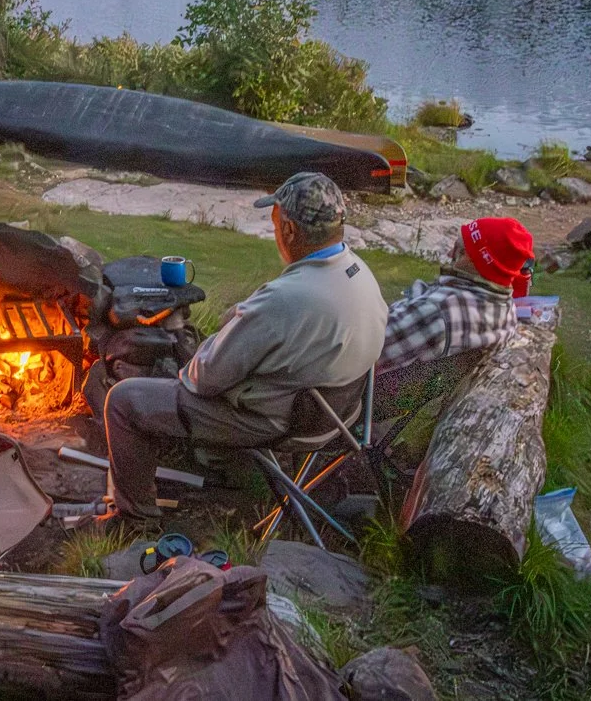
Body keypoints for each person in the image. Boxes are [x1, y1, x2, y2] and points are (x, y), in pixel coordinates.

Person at [102, 172, 389, 523]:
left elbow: (204, 379)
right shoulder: (359, 272)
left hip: (278, 423)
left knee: (124, 400)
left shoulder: (286, 299)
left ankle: (134, 519)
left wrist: (203, 353)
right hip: (338, 416)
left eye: (275, 221)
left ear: (290, 231)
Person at [377, 217, 532, 374]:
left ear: (471, 259)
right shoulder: (507, 311)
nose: (450, 253)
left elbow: (360, 350)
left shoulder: (436, 312)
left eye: (458, 249)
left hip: (370, 392)